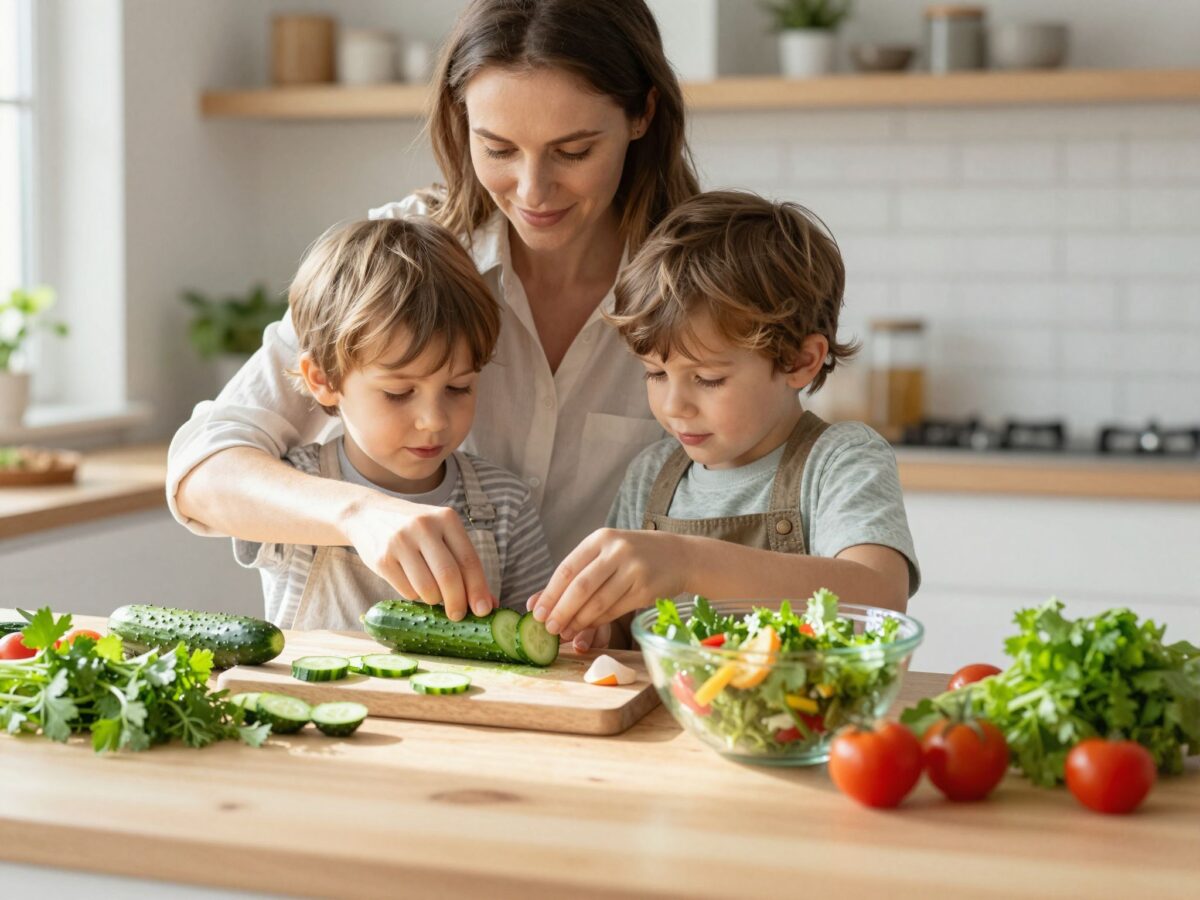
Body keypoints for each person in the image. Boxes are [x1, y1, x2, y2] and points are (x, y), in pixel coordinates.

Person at [167, 0, 698, 646]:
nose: (533, 190)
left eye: (574, 150)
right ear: (461, 120)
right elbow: (200, 471)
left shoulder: (699, 290)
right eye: (498, 147)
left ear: (642, 114)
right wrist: (359, 512)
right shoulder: (407, 261)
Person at [526, 191, 921, 646]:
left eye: (708, 378)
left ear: (798, 360)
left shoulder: (840, 461)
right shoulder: (652, 474)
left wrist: (688, 562)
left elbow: (878, 602)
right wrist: (598, 628)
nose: (675, 406)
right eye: (655, 373)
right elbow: (627, 629)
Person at [235, 217, 553, 630]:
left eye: (458, 388)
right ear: (323, 380)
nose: (433, 421)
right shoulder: (293, 483)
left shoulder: (506, 504)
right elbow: (207, 483)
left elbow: (538, 641)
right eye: (399, 393)